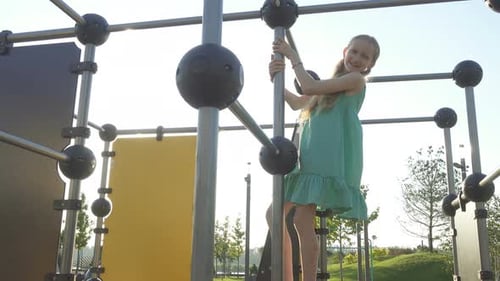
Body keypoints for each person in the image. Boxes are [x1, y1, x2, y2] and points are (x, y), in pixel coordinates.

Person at [267, 34, 380, 281]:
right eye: (355, 52)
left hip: (325, 156)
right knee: (277, 215)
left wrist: (293, 57)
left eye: (365, 56)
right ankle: (286, 275)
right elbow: (299, 102)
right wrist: (277, 80)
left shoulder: (355, 81)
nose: (358, 59)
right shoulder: (333, 84)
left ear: (370, 64)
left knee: (301, 219)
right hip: (308, 155)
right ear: (345, 51)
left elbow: (308, 86)